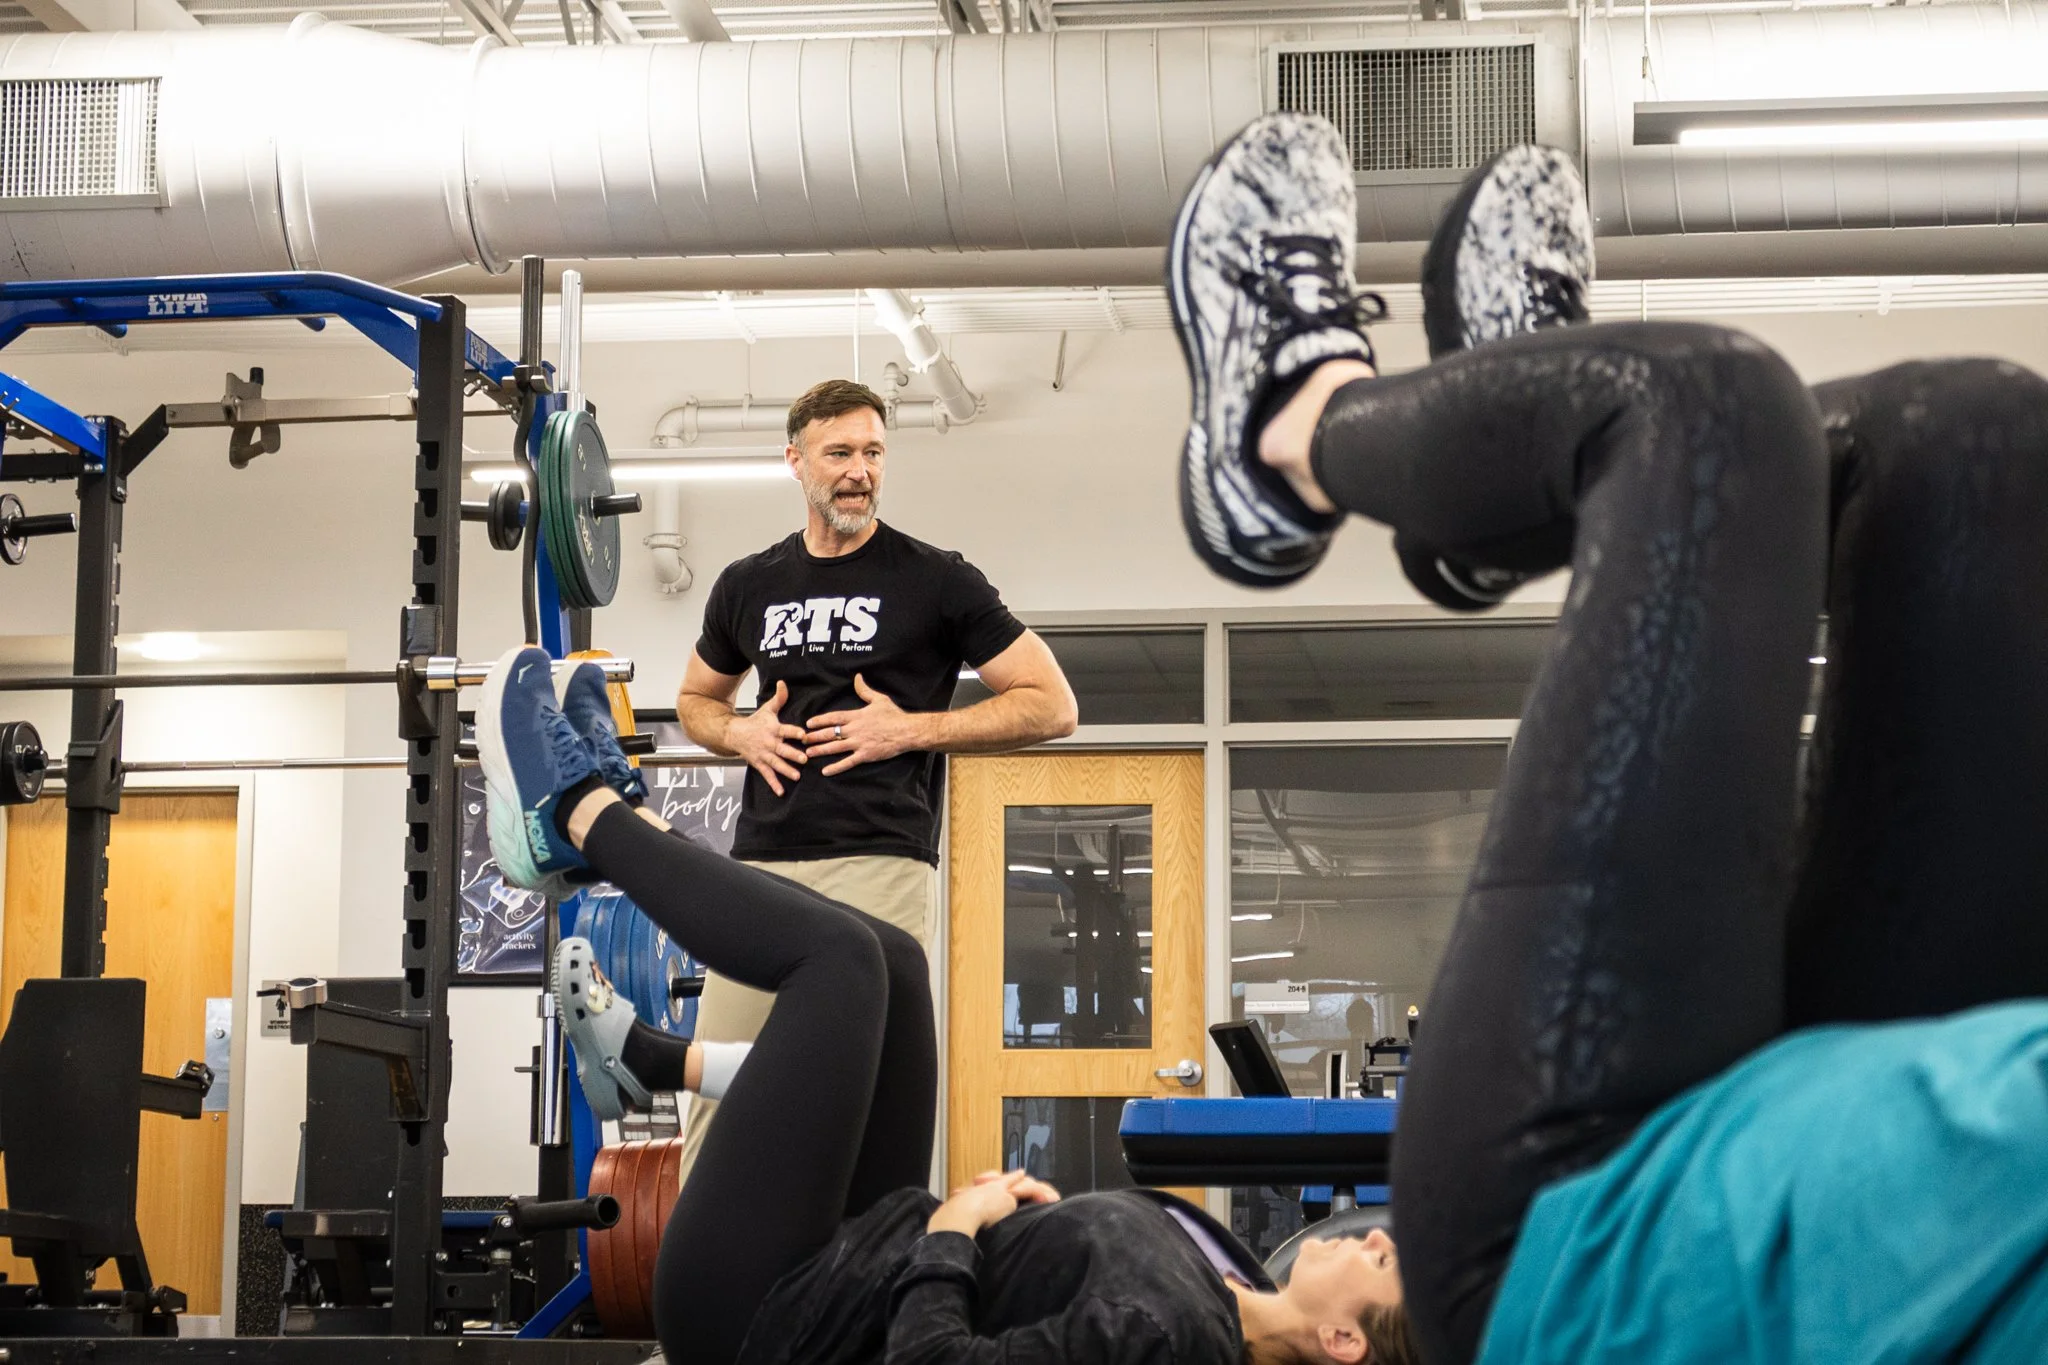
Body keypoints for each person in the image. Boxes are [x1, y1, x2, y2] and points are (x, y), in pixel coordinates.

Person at [1168, 113, 2048, 1363]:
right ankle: (1509, 490)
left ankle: (1282, 437)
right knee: (1975, 435)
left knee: (1698, 406)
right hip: (1957, 1144)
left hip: (1610, 1264)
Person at [478, 647, 1413, 1365]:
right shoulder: (1226, 1288)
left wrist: (961, 1228)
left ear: (1343, 1342)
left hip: (765, 1317)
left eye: (1381, 1262)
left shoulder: (1173, 1339)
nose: (1373, 1234)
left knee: (840, 962)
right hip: (859, 1260)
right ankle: (628, 837)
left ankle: (576, 810)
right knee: (893, 963)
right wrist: (1023, 1229)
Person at [670, 377, 1077, 1180]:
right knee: (722, 1086)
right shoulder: (749, 584)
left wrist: (913, 728)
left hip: (879, 860)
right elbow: (695, 701)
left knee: (863, 1088)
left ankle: (874, 1259)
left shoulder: (936, 579)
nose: (859, 471)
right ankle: (703, 1258)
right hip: (761, 863)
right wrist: (739, 732)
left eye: (873, 453)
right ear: (796, 460)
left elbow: (1052, 703)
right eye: (839, 453)